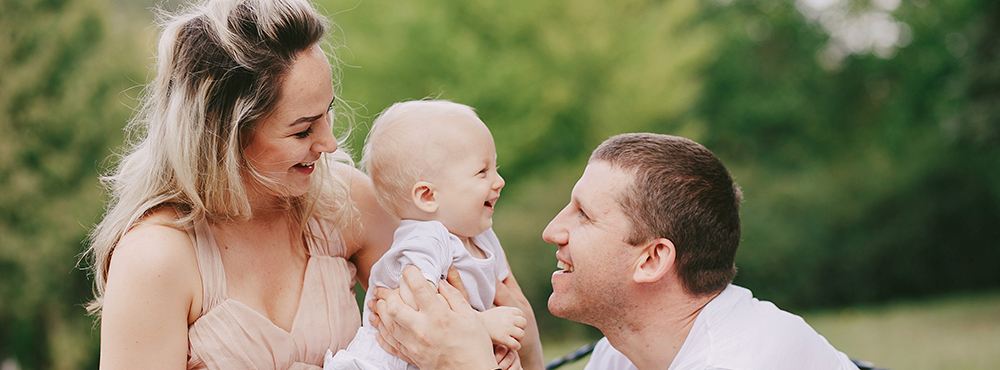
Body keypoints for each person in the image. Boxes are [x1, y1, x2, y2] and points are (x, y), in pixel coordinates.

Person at [368, 133, 860, 370]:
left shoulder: (735, 362)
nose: (551, 230)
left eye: (582, 214)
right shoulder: (625, 355)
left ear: (651, 260)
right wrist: (528, 346)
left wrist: (466, 366)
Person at [82, 0, 397, 369]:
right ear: (223, 132)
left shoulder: (343, 201)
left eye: (328, 111)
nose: (329, 144)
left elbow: (458, 316)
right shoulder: (156, 259)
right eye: (303, 129)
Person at [324, 100, 527, 370]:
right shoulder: (426, 240)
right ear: (428, 196)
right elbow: (410, 311)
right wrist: (482, 327)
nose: (499, 181)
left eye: (496, 168)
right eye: (482, 172)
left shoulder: (482, 235)